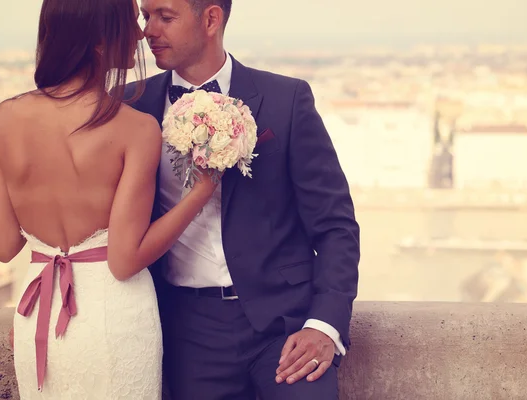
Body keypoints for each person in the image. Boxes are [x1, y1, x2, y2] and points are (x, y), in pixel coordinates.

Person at [125, 0, 361, 398]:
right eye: (147, 16)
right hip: (186, 331)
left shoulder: (286, 99)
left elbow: (334, 224)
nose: (149, 30)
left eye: (165, 17)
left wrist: (324, 324)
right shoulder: (129, 105)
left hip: (285, 325)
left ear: (211, 19)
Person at [0, 0, 218, 398]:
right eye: (130, 23)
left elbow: (4, 246)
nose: (141, 33)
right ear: (98, 40)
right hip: (115, 317)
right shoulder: (135, 128)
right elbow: (124, 259)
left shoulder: (5, 117)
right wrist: (201, 192)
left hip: (37, 312)